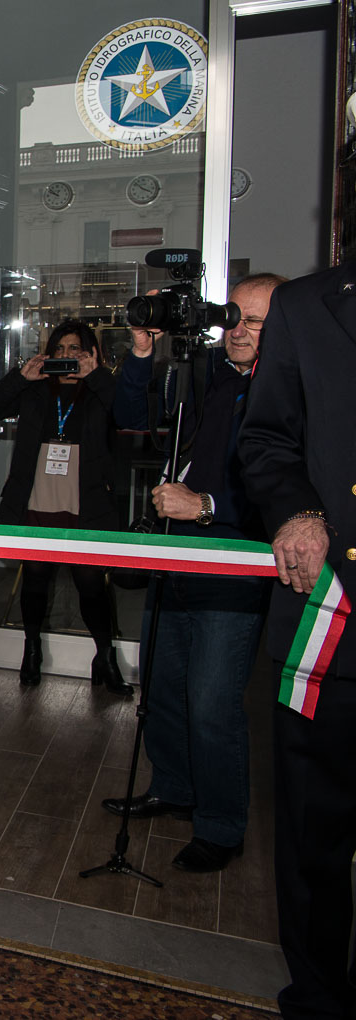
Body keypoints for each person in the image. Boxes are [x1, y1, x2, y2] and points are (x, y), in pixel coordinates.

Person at [102, 273, 282, 874]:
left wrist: (205, 506)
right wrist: (144, 352)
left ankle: (222, 825)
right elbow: (130, 415)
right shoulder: (206, 375)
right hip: (177, 555)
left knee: (212, 703)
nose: (240, 330)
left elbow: (288, 489)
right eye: (236, 315)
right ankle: (173, 787)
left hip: (234, 564)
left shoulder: (292, 391)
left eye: (257, 321)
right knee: (162, 687)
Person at [237, 261, 356, 1018]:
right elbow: (266, 440)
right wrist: (295, 511)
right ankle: (317, 998)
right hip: (334, 620)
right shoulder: (309, 306)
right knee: (315, 833)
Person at [0, 319, 127, 692]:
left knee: (90, 581)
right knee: (36, 576)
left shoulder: (98, 390)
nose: (66, 356)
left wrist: (98, 376)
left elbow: (128, 414)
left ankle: (105, 657)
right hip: (38, 489)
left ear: (90, 353)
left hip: (85, 493)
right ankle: (32, 650)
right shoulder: (37, 389)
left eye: (74, 349)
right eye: (59, 349)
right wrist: (21, 376)